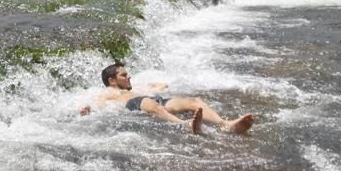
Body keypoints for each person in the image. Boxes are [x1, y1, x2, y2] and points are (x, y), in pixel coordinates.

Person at [79, 63, 254, 134]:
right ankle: (185, 125)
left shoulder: (135, 87)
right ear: (112, 80)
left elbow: (159, 85)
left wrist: (160, 85)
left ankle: (226, 124)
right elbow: (95, 102)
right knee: (149, 102)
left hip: (152, 102)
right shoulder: (108, 92)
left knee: (194, 101)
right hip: (138, 104)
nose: (129, 77)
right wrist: (88, 109)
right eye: (124, 75)